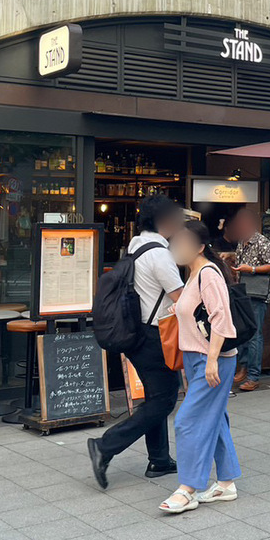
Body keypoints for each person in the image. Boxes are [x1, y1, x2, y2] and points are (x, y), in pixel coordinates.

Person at [88, 195, 185, 490]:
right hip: (154, 336)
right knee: (165, 398)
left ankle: (159, 459)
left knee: (156, 396)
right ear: (163, 221)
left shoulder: (136, 246)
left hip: (134, 332)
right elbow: (181, 299)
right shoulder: (161, 256)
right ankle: (105, 446)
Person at [158, 221, 241, 514]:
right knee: (215, 419)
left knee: (187, 421)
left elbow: (222, 320)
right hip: (197, 359)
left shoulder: (208, 274)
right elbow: (195, 312)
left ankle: (188, 489)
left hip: (213, 359)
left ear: (200, 247)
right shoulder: (194, 275)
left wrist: (211, 360)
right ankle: (226, 484)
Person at [229, 208, 270, 391]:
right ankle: (243, 367)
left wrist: (251, 270)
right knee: (242, 331)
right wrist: (231, 257)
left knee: (254, 335)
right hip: (244, 292)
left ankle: (253, 376)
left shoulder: (261, 241)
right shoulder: (243, 241)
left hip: (257, 293)